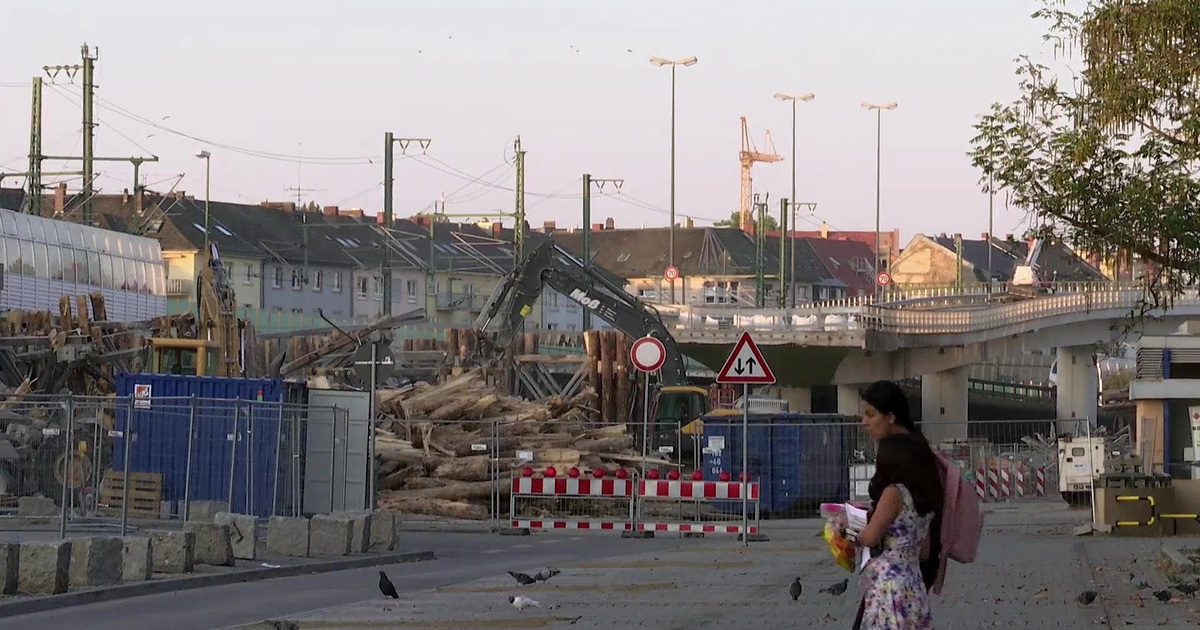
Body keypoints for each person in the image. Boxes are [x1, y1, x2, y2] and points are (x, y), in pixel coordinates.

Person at [852, 380, 944, 629]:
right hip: (913, 580)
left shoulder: (896, 489)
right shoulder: (918, 481)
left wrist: (850, 530)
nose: (864, 422)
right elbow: (925, 545)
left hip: (889, 587)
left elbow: (871, 537)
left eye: (871, 414)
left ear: (891, 417)